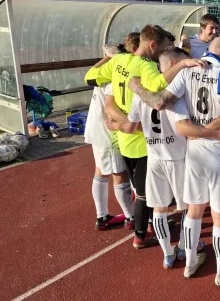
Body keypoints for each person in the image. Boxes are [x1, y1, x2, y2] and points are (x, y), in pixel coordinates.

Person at [128, 37, 220, 285]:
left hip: (195, 151)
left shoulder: (188, 70)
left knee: (194, 210)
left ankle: (190, 262)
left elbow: (160, 102)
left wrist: (136, 87)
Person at [85, 25, 203, 249]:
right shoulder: (145, 66)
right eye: (163, 48)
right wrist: (184, 63)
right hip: (144, 139)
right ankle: (142, 235)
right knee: (147, 195)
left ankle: (150, 226)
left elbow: (90, 77)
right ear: (152, 45)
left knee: (143, 190)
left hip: (125, 137)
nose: (164, 53)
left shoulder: (120, 61)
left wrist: (123, 123)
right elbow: (158, 88)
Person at [113, 48, 220, 269]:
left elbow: (131, 126)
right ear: (176, 64)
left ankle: (168, 254)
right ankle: (186, 248)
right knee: (189, 208)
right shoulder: (177, 97)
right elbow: (185, 128)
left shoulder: (143, 95)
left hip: (155, 158)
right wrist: (214, 132)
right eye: (186, 64)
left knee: (158, 208)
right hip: (178, 158)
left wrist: (115, 123)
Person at [85, 35, 138, 231]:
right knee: (118, 174)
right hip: (108, 130)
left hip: (97, 128)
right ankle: (130, 216)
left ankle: (103, 215)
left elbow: (91, 73)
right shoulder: (114, 73)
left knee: (101, 171)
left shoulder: (103, 70)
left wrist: (107, 57)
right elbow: (110, 106)